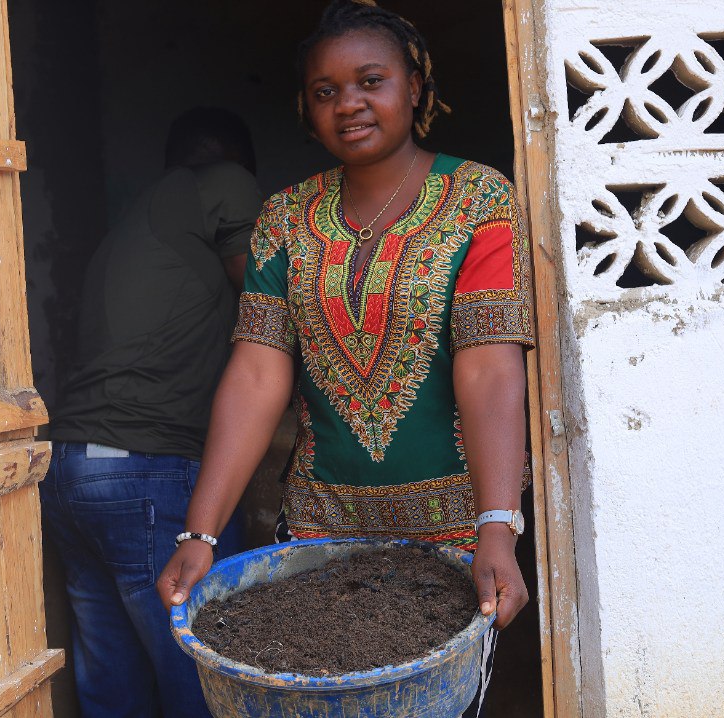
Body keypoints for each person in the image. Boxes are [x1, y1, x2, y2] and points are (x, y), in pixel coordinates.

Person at [157, 3, 534, 715]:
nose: (348, 105)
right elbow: (258, 371)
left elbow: (489, 366)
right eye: (326, 91)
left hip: (454, 540)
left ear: (415, 85)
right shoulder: (284, 218)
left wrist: (497, 528)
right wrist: (200, 532)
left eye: (371, 81)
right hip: (321, 540)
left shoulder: (478, 198)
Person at [42, 107, 262, 718]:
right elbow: (272, 300)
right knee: (205, 677)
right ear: (232, 163)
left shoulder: (137, 222)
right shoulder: (223, 182)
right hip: (150, 470)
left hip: (72, 469)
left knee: (114, 686)